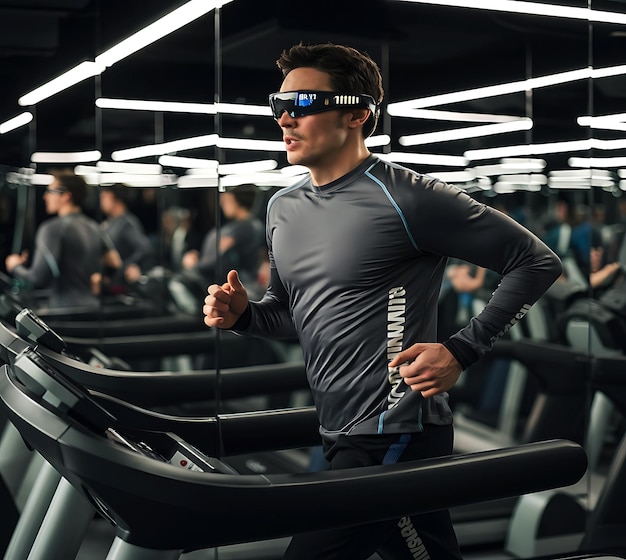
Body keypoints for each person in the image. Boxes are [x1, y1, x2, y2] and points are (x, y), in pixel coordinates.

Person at [202, 43, 562, 559]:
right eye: (276, 104)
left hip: (398, 427)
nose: (284, 118)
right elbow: (289, 314)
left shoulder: (409, 197)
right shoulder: (283, 207)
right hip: (335, 426)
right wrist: (244, 317)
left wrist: (462, 350)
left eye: (301, 104)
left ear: (357, 113)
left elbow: (536, 262)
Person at [5, 169, 121, 309]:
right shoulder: (94, 227)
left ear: (66, 196)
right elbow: (114, 263)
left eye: (50, 191)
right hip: (92, 308)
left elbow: (37, 278)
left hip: (64, 312)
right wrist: (102, 281)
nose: (45, 196)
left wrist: (15, 266)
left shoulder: (51, 229)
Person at [179, 184, 265, 294]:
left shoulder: (243, 228)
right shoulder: (254, 226)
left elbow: (218, 255)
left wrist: (194, 265)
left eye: (226, 200)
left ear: (234, 200)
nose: (222, 203)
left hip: (235, 286)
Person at [99, 183, 155, 293]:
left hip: (121, 286)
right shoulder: (109, 223)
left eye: (104, 197)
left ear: (115, 198)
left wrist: (126, 267)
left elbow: (144, 249)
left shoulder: (127, 223)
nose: (101, 201)